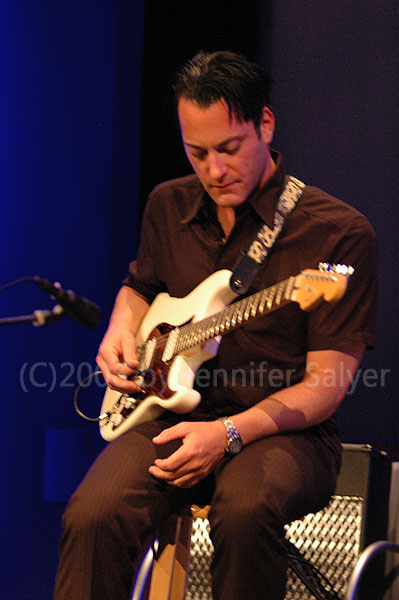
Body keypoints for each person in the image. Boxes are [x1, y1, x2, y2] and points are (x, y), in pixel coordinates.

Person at [53, 51, 377, 600]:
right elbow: (141, 288)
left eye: (228, 149)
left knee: (246, 510)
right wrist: (117, 332)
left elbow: (326, 387)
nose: (214, 171)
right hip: (170, 414)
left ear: (265, 125)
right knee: (91, 516)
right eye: (196, 152)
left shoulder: (336, 233)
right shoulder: (168, 203)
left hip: (284, 432)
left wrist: (226, 434)